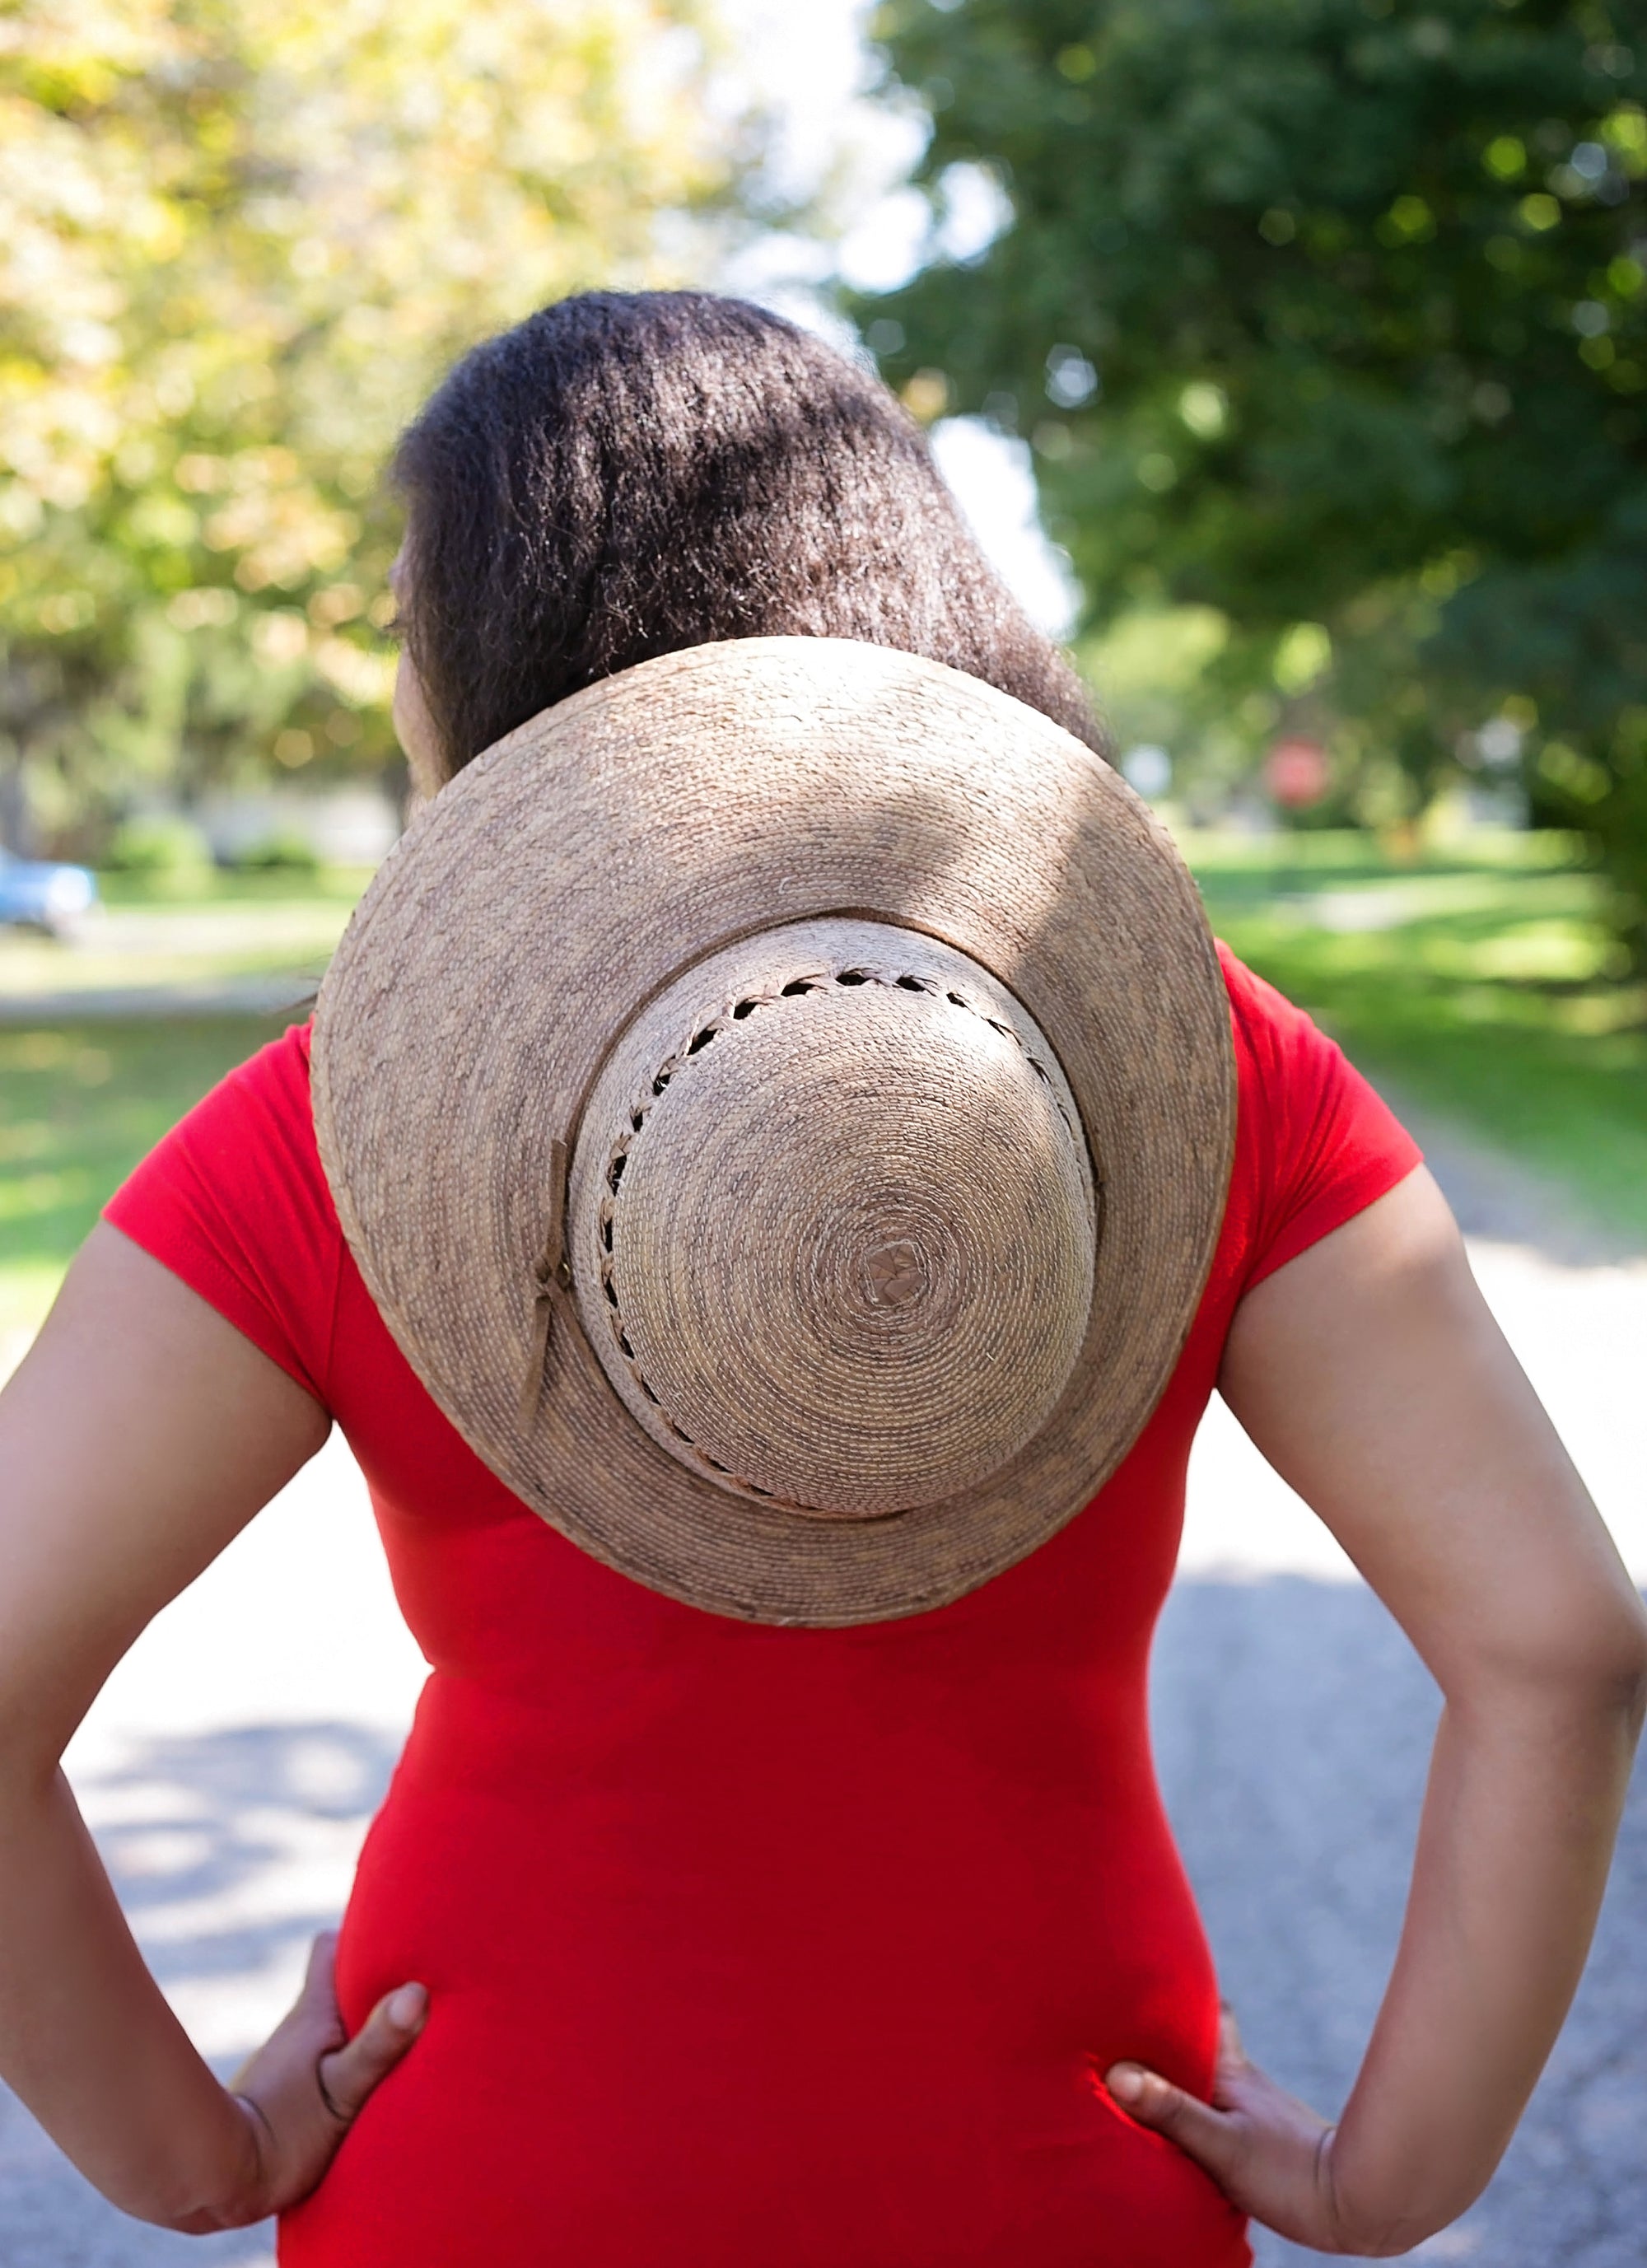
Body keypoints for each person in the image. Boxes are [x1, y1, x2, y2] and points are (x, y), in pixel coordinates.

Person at [1, 291, 1643, 2268]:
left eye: (401, 618)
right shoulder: (1177, 1073)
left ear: (495, 656)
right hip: (1051, 2179)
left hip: (500, 2172)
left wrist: (189, 2155)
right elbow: (1555, 1643)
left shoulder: (347, 1120)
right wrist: (1391, 2181)